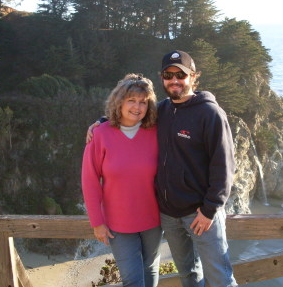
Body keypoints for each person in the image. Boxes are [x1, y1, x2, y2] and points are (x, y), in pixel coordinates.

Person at [87, 51, 237, 287]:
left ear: (193, 76)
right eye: (169, 74)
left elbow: (225, 166)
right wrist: (102, 122)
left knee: (220, 277)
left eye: (181, 74)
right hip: (168, 215)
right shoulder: (163, 111)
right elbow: (132, 113)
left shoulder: (210, 113)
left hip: (200, 214)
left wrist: (210, 210)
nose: (174, 80)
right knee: (188, 273)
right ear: (162, 78)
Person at [81, 73, 162, 287]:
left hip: (154, 220)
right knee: (133, 280)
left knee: (150, 272)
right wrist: (97, 222)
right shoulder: (101, 134)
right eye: (131, 101)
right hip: (119, 224)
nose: (137, 107)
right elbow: (90, 180)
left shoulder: (156, 132)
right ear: (119, 103)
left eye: (143, 102)